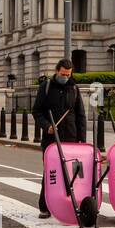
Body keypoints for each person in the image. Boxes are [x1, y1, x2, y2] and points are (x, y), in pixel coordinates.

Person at [32, 59, 86, 219]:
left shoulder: (74, 89)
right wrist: (46, 126)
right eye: (63, 74)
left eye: (68, 75)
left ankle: (69, 204)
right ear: (56, 71)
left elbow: (80, 115)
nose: (65, 77)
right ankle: (45, 206)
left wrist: (82, 140)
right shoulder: (46, 87)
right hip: (51, 139)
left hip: (71, 137)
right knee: (51, 172)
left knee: (70, 173)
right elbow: (37, 111)